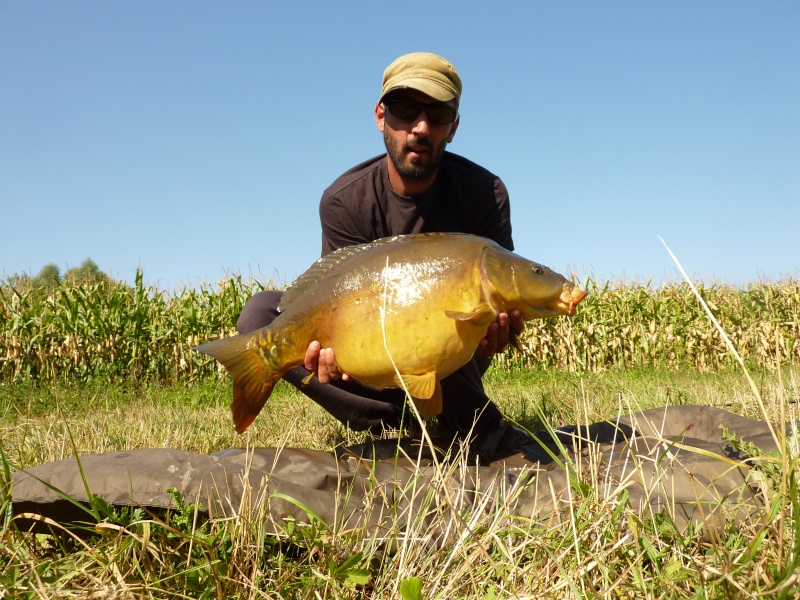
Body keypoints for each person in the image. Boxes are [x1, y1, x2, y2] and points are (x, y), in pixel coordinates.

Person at [238, 52, 526, 457]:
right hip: (368, 352)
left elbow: (504, 302)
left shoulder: (485, 194)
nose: (420, 128)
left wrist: (501, 329)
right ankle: (389, 418)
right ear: (380, 116)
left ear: (454, 127)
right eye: (406, 109)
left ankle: (466, 417)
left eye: (438, 114)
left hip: (448, 350)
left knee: (452, 321)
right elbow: (330, 296)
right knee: (260, 317)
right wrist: (327, 352)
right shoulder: (343, 201)